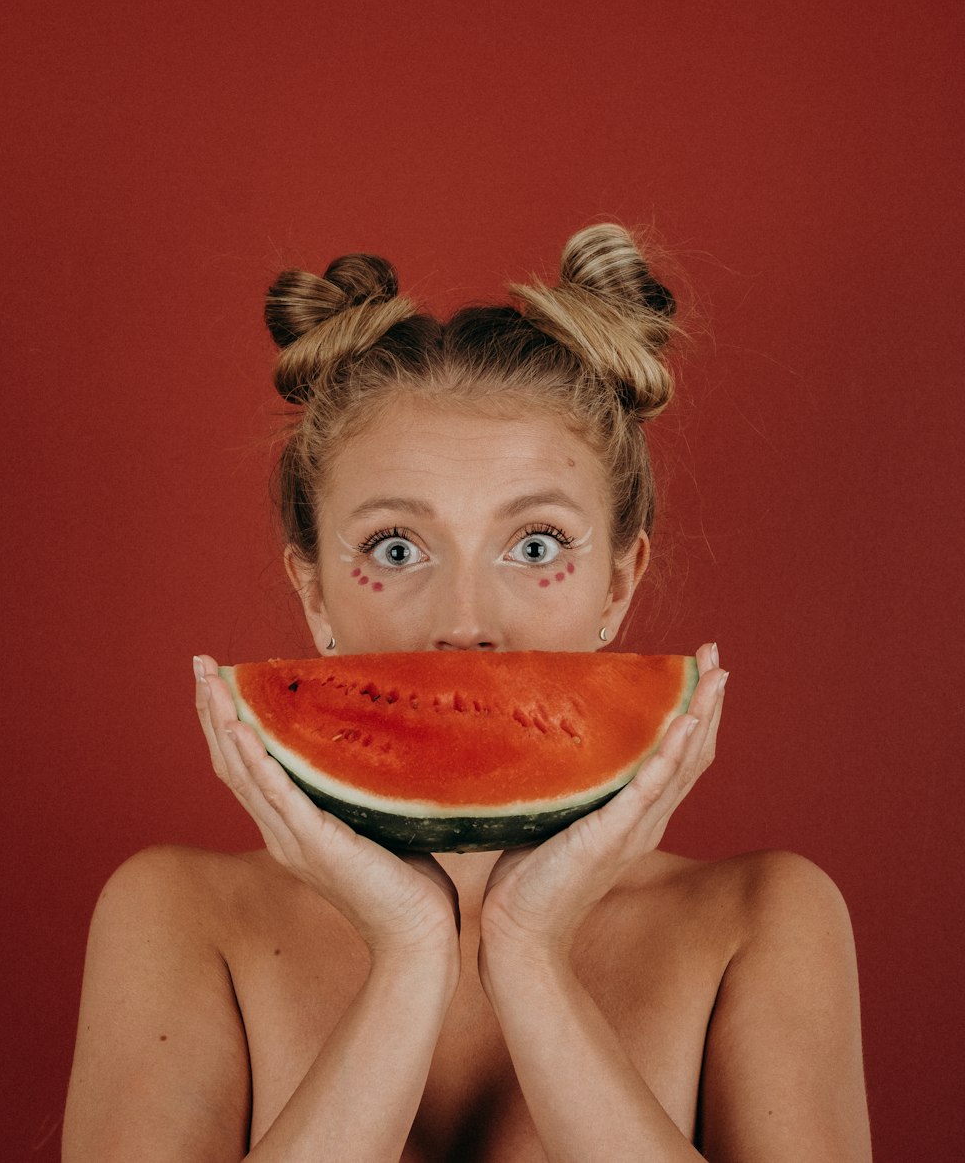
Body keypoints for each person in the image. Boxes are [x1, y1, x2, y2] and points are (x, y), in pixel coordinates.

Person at [62, 223, 872, 1161]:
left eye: (535, 547)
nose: (465, 621)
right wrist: (410, 956)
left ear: (619, 581)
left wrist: (529, 952)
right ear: (313, 589)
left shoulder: (764, 922)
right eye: (396, 549)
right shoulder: (176, 915)